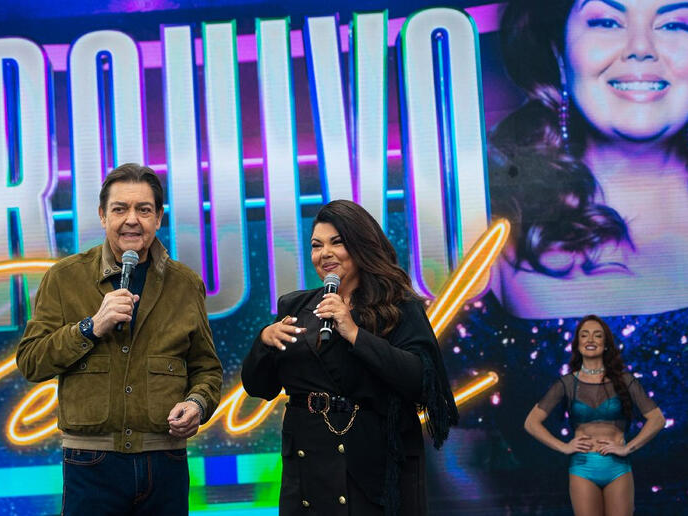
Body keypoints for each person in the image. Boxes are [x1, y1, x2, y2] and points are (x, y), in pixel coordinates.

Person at [16, 163, 223, 515]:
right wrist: (90, 327)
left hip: (165, 459)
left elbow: (207, 369)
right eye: (119, 209)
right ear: (102, 215)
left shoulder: (185, 284)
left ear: (158, 217)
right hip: (90, 463)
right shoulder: (65, 278)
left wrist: (198, 405)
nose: (132, 219)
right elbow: (31, 360)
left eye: (144, 210)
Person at [241, 200, 458, 516]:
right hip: (307, 465)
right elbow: (260, 388)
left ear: (360, 245)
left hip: (370, 462)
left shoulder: (399, 307)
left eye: (336, 242)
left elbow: (422, 381)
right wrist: (263, 343)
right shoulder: (294, 306)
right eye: (316, 245)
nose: (324, 253)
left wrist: (355, 333)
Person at [489, 0, 688, 318]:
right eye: (607, 22)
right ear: (558, 51)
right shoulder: (482, 234)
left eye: (676, 24)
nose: (640, 48)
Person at [524, 315, 665, 515]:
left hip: (617, 467)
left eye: (597, 335)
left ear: (605, 344)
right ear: (578, 343)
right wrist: (564, 447)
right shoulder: (566, 383)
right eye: (584, 335)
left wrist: (628, 449)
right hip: (583, 468)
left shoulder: (625, 380)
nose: (590, 340)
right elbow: (531, 423)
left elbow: (658, 419)